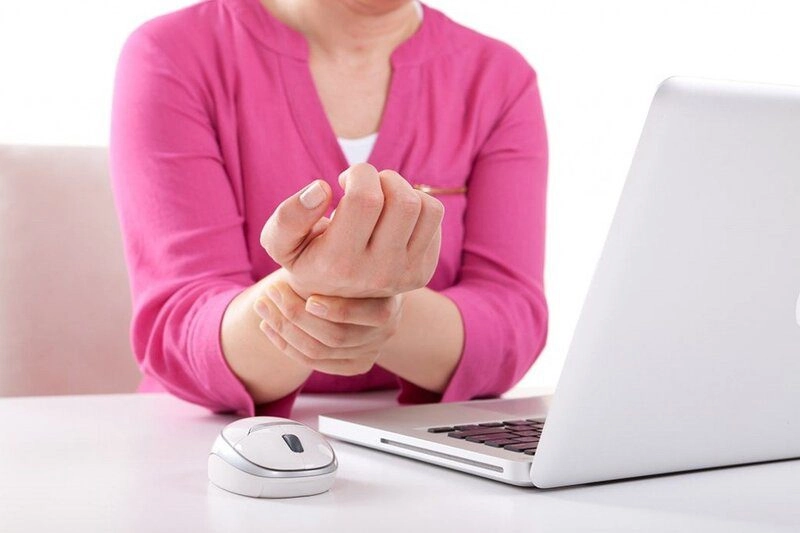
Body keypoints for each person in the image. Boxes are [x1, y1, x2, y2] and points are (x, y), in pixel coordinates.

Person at [110, 0, 548, 417]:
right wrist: (326, 289)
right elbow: (183, 327)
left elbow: (512, 322)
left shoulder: (498, 78)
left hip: (430, 453)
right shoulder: (174, 53)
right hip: (215, 450)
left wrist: (364, 301)